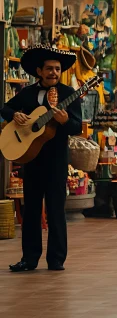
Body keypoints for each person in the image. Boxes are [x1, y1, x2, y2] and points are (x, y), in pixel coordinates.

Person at [3, 46, 82, 272]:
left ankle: (56, 259)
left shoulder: (69, 94)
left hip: (56, 159)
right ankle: (29, 258)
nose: (54, 73)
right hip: (32, 159)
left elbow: (77, 126)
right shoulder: (27, 94)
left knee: (56, 209)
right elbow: (5, 109)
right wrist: (14, 114)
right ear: (39, 71)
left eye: (57, 69)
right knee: (32, 210)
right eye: (49, 69)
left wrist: (66, 121)